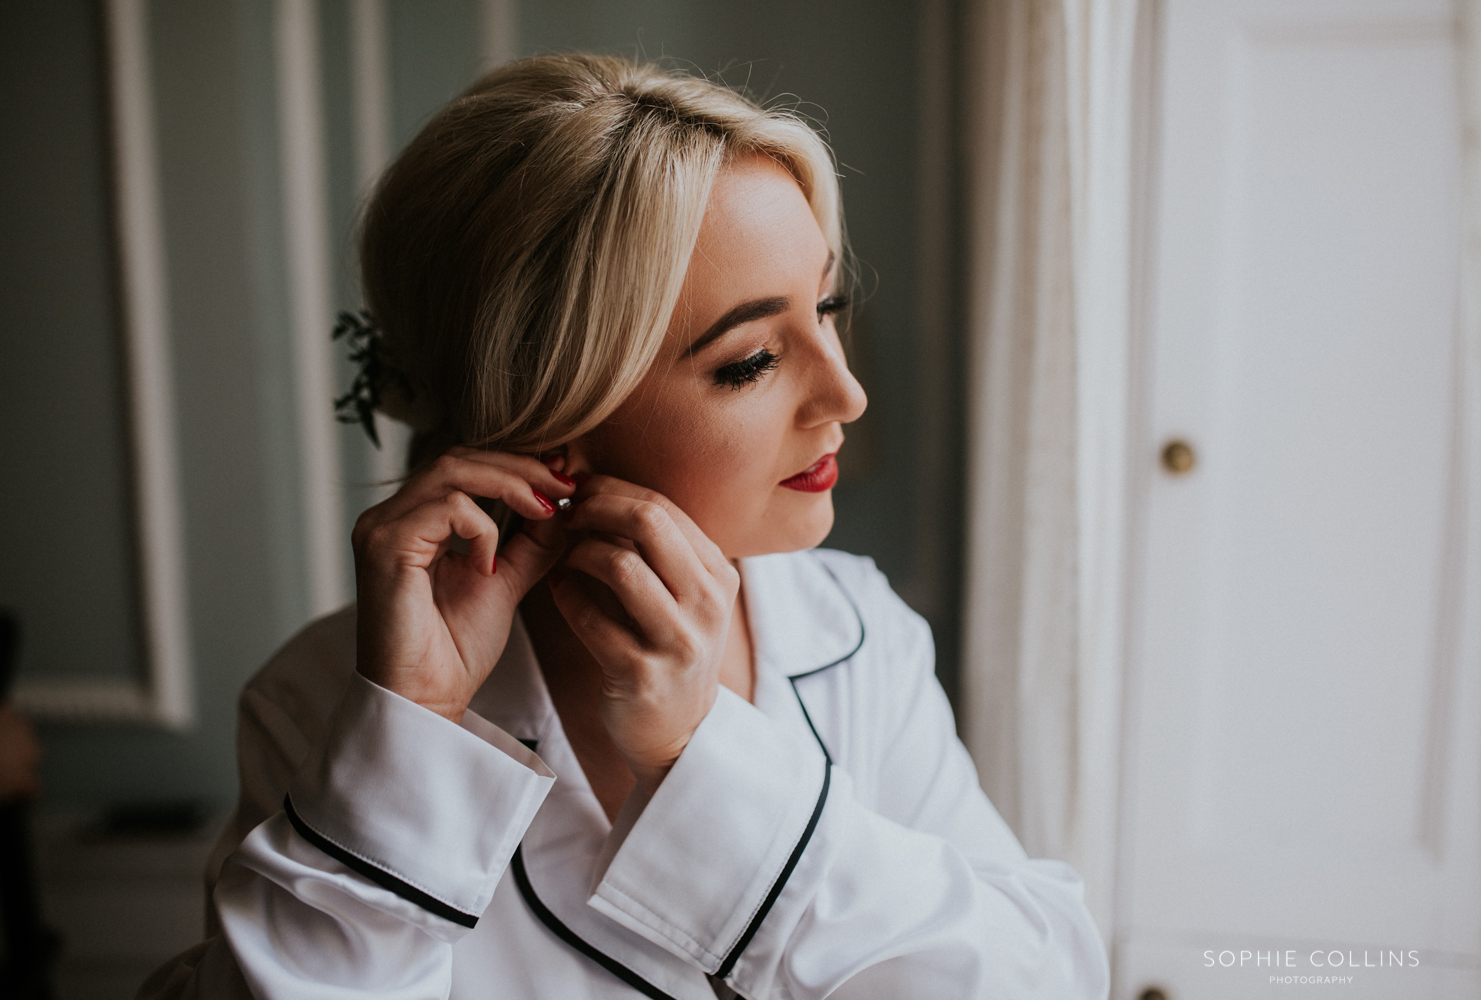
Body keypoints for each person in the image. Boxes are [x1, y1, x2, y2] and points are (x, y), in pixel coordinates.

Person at [139, 54, 1110, 999]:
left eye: (829, 306)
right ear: (550, 422)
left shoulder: (858, 634)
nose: (846, 393)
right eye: (752, 359)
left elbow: (1044, 978)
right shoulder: (319, 705)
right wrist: (410, 740)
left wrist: (703, 756)